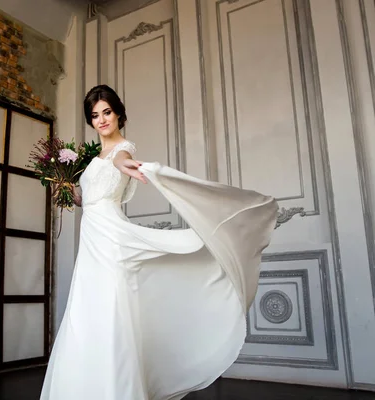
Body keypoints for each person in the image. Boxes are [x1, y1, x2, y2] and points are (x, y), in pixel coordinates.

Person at [40, 85, 278, 400]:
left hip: (112, 240)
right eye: (95, 115)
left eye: (107, 112)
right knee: (85, 313)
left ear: (118, 113)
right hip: (92, 240)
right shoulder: (90, 158)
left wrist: (125, 164)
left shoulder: (122, 149)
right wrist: (69, 192)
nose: (102, 120)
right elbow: (91, 199)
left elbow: (121, 161)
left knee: (110, 311)